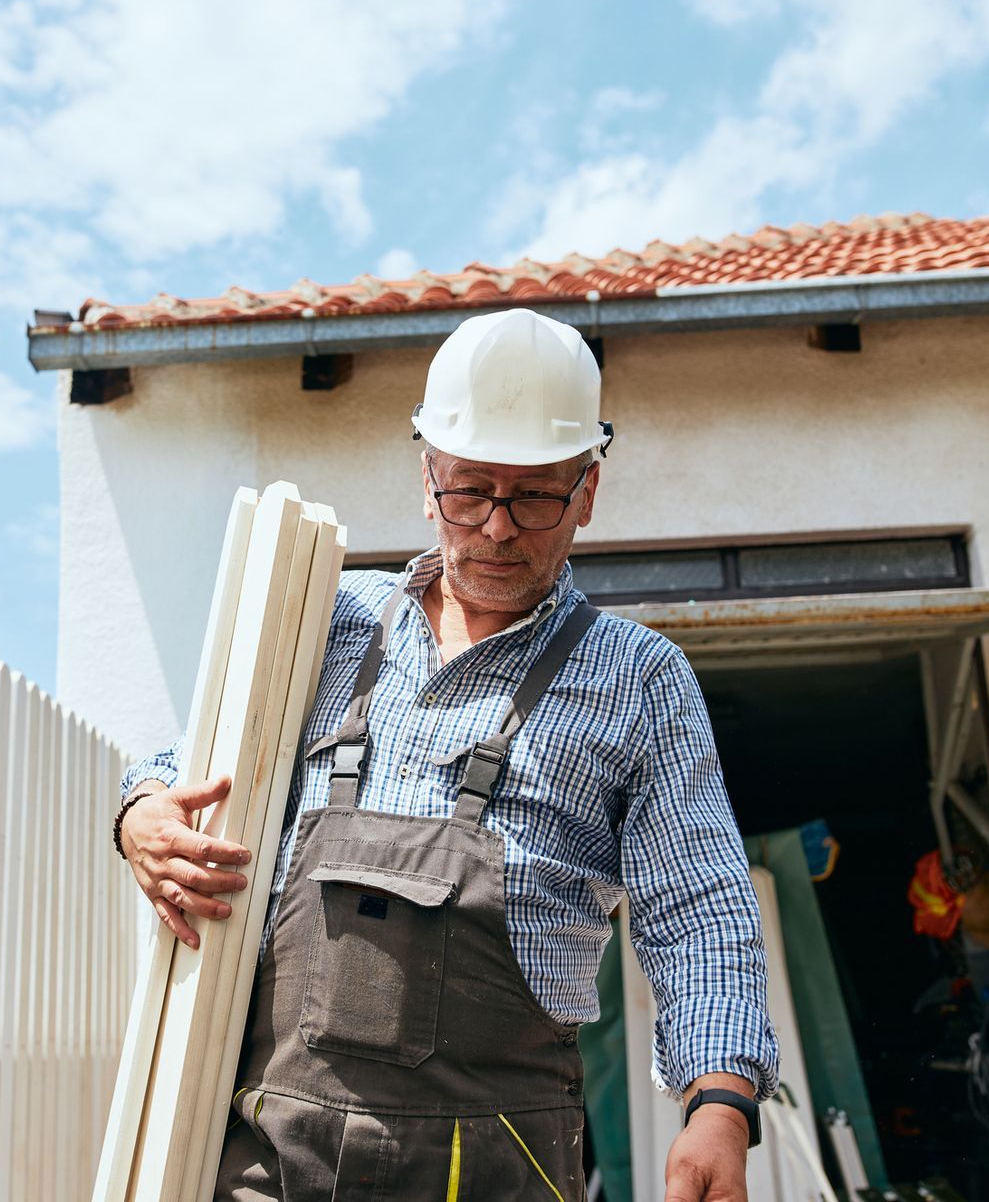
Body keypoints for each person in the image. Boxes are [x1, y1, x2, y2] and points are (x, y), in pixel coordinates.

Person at [115, 307, 778, 1200]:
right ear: (428, 479)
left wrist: (720, 1106)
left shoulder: (641, 680)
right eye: (471, 490)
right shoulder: (324, 617)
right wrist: (143, 812)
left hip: (502, 1167)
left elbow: (699, 911)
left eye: (536, 495)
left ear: (587, 490)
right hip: (274, 1160)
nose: (499, 527)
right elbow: (186, 757)